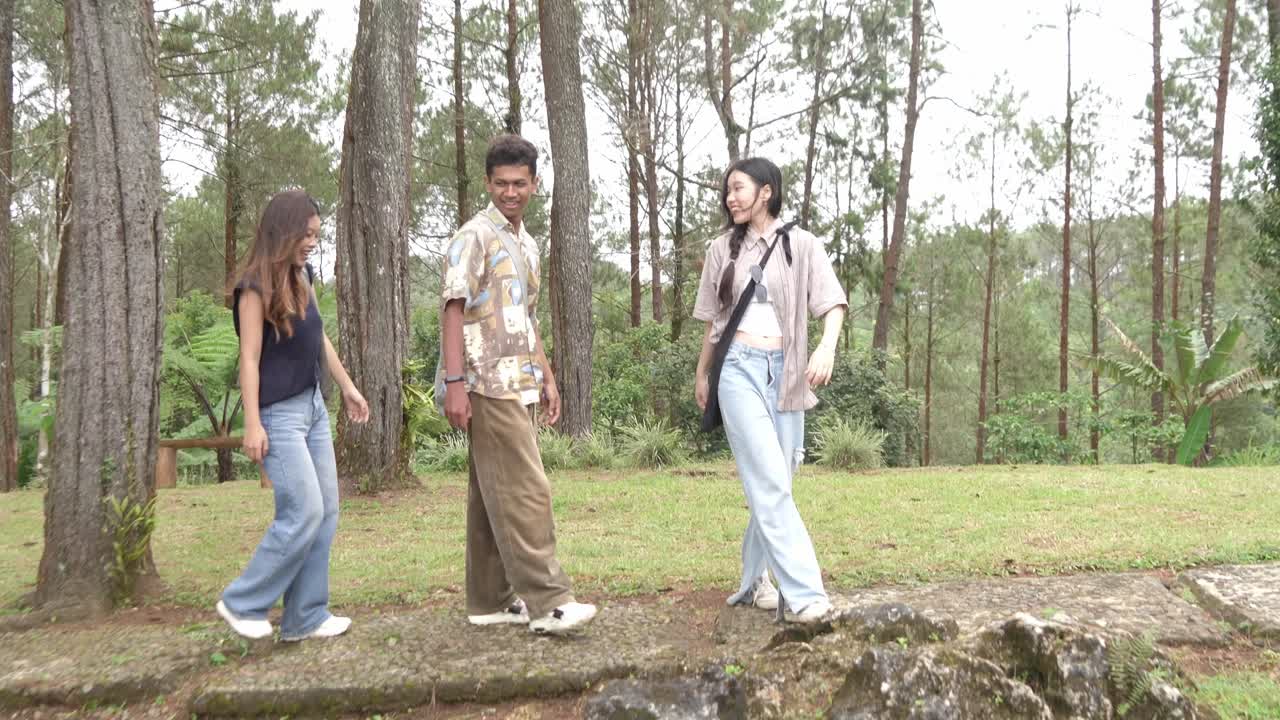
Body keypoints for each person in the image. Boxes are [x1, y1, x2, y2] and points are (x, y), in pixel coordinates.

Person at [437, 134, 597, 635]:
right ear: (488, 183)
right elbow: (452, 308)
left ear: (534, 184)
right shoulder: (473, 236)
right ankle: (550, 602)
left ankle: (489, 599)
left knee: (492, 490)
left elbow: (525, 318)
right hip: (486, 382)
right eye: (501, 183)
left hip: (521, 379)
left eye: (519, 183)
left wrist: (547, 377)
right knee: (527, 488)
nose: (510, 191)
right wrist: (456, 383)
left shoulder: (526, 243)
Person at [693, 157, 848, 623]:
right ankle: (804, 595)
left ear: (766, 191)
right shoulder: (722, 249)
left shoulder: (802, 244)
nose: (730, 197)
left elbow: (832, 303)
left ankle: (752, 580)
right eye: (727, 191)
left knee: (780, 476)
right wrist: (704, 374)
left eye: (738, 188)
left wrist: (826, 349)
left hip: (788, 371)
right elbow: (714, 322)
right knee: (768, 476)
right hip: (737, 369)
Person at [217, 190, 370, 642]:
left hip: (312, 408)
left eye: (316, 235)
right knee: (302, 510)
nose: (312, 242)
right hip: (277, 414)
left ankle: (305, 616)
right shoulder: (253, 286)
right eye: (306, 234)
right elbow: (248, 359)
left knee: (325, 512)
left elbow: (318, 340)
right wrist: (252, 423)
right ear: (283, 230)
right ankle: (242, 601)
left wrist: (346, 386)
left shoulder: (301, 276)